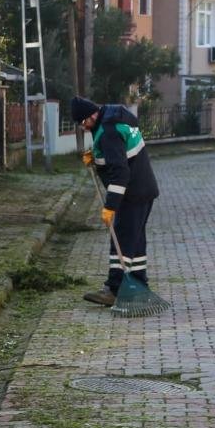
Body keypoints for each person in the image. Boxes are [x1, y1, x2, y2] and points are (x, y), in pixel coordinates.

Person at [71, 97, 159, 307]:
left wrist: (110, 206)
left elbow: (120, 173)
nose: (83, 126)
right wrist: (96, 155)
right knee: (135, 240)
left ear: (92, 114)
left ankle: (113, 289)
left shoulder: (108, 131)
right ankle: (139, 285)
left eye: (84, 122)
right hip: (144, 189)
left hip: (132, 194)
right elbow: (119, 153)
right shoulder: (113, 115)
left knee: (121, 238)